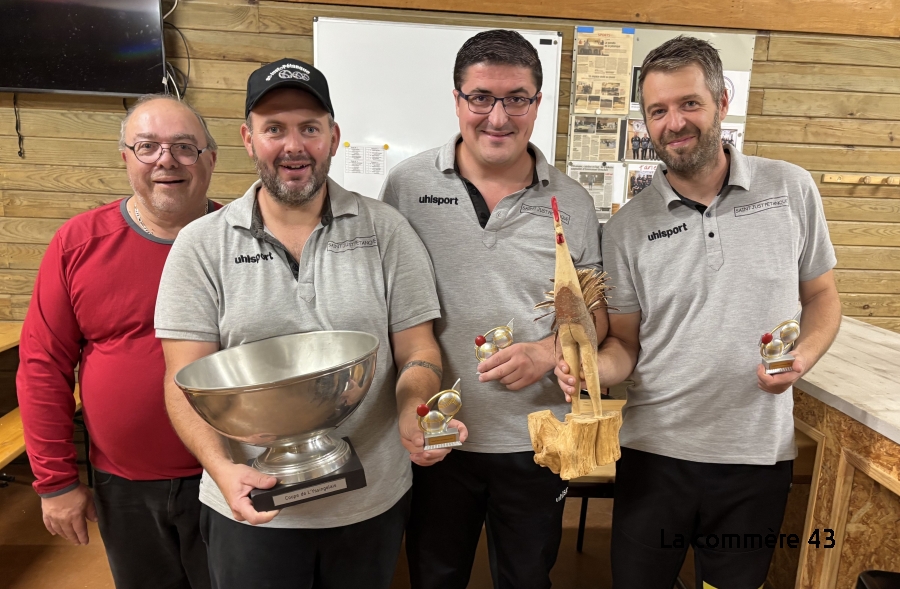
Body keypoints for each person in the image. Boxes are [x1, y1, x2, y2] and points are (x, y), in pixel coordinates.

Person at [155, 58, 459, 589]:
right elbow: (183, 380)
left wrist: (414, 408)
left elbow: (418, 349)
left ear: (333, 137)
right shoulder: (200, 245)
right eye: (274, 129)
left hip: (369, 502)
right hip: (250, 503)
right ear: (248, 139)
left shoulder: (387, 231)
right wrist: (222, 470)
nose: (293, 146)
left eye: (309, 129)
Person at [556, 35, 841, 589]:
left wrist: (802, 358)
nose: (675, 123)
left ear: (721, 102)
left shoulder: (791, 189)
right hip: (654, 455)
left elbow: (822, 297)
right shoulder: (627, 227)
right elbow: (626, 344)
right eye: (658, 111)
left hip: (756, 456)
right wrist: (591, 369)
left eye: (689, 103)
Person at [381, 30, 603, 589]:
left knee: (527, 576)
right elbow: (387, 304)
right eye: (481, 97)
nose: (498, 117)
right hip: (438, 434)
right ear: (457, 100)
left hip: (537, 437)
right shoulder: (406, 186)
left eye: (516, 99)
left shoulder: (573, 203)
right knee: (435, 575)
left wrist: (548, 351)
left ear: (537, 103)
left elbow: (594, 315)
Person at [17, 94, 219, 589]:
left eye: (185, 147)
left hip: (228, 477)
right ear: (126, 158)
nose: (166, 160)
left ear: (210, 159)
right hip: (124, 485)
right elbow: (43, 365)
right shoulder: (78, 243)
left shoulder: (244, 240)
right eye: (147, 146)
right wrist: (55, 482)